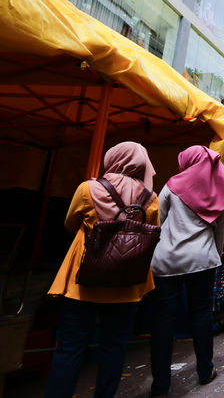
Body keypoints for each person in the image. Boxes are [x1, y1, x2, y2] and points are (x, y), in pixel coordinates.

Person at [45, 142, 160, 398]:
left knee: (70, 348)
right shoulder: (150, 199)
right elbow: (151, 234)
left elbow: (69, 223)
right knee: (114, 348)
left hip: (82, 282)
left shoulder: (88, 189)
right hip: (127, 284)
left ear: (113, 158)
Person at [149, 145, 224, 397]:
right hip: (203, 259)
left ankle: (160, 385)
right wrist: (216, 255)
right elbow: (221, 231)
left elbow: (159, 221)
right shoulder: (221, 188)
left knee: (163, 319)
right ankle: (204, 370)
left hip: (168, 260)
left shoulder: (171, 186)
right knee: (201, 314)